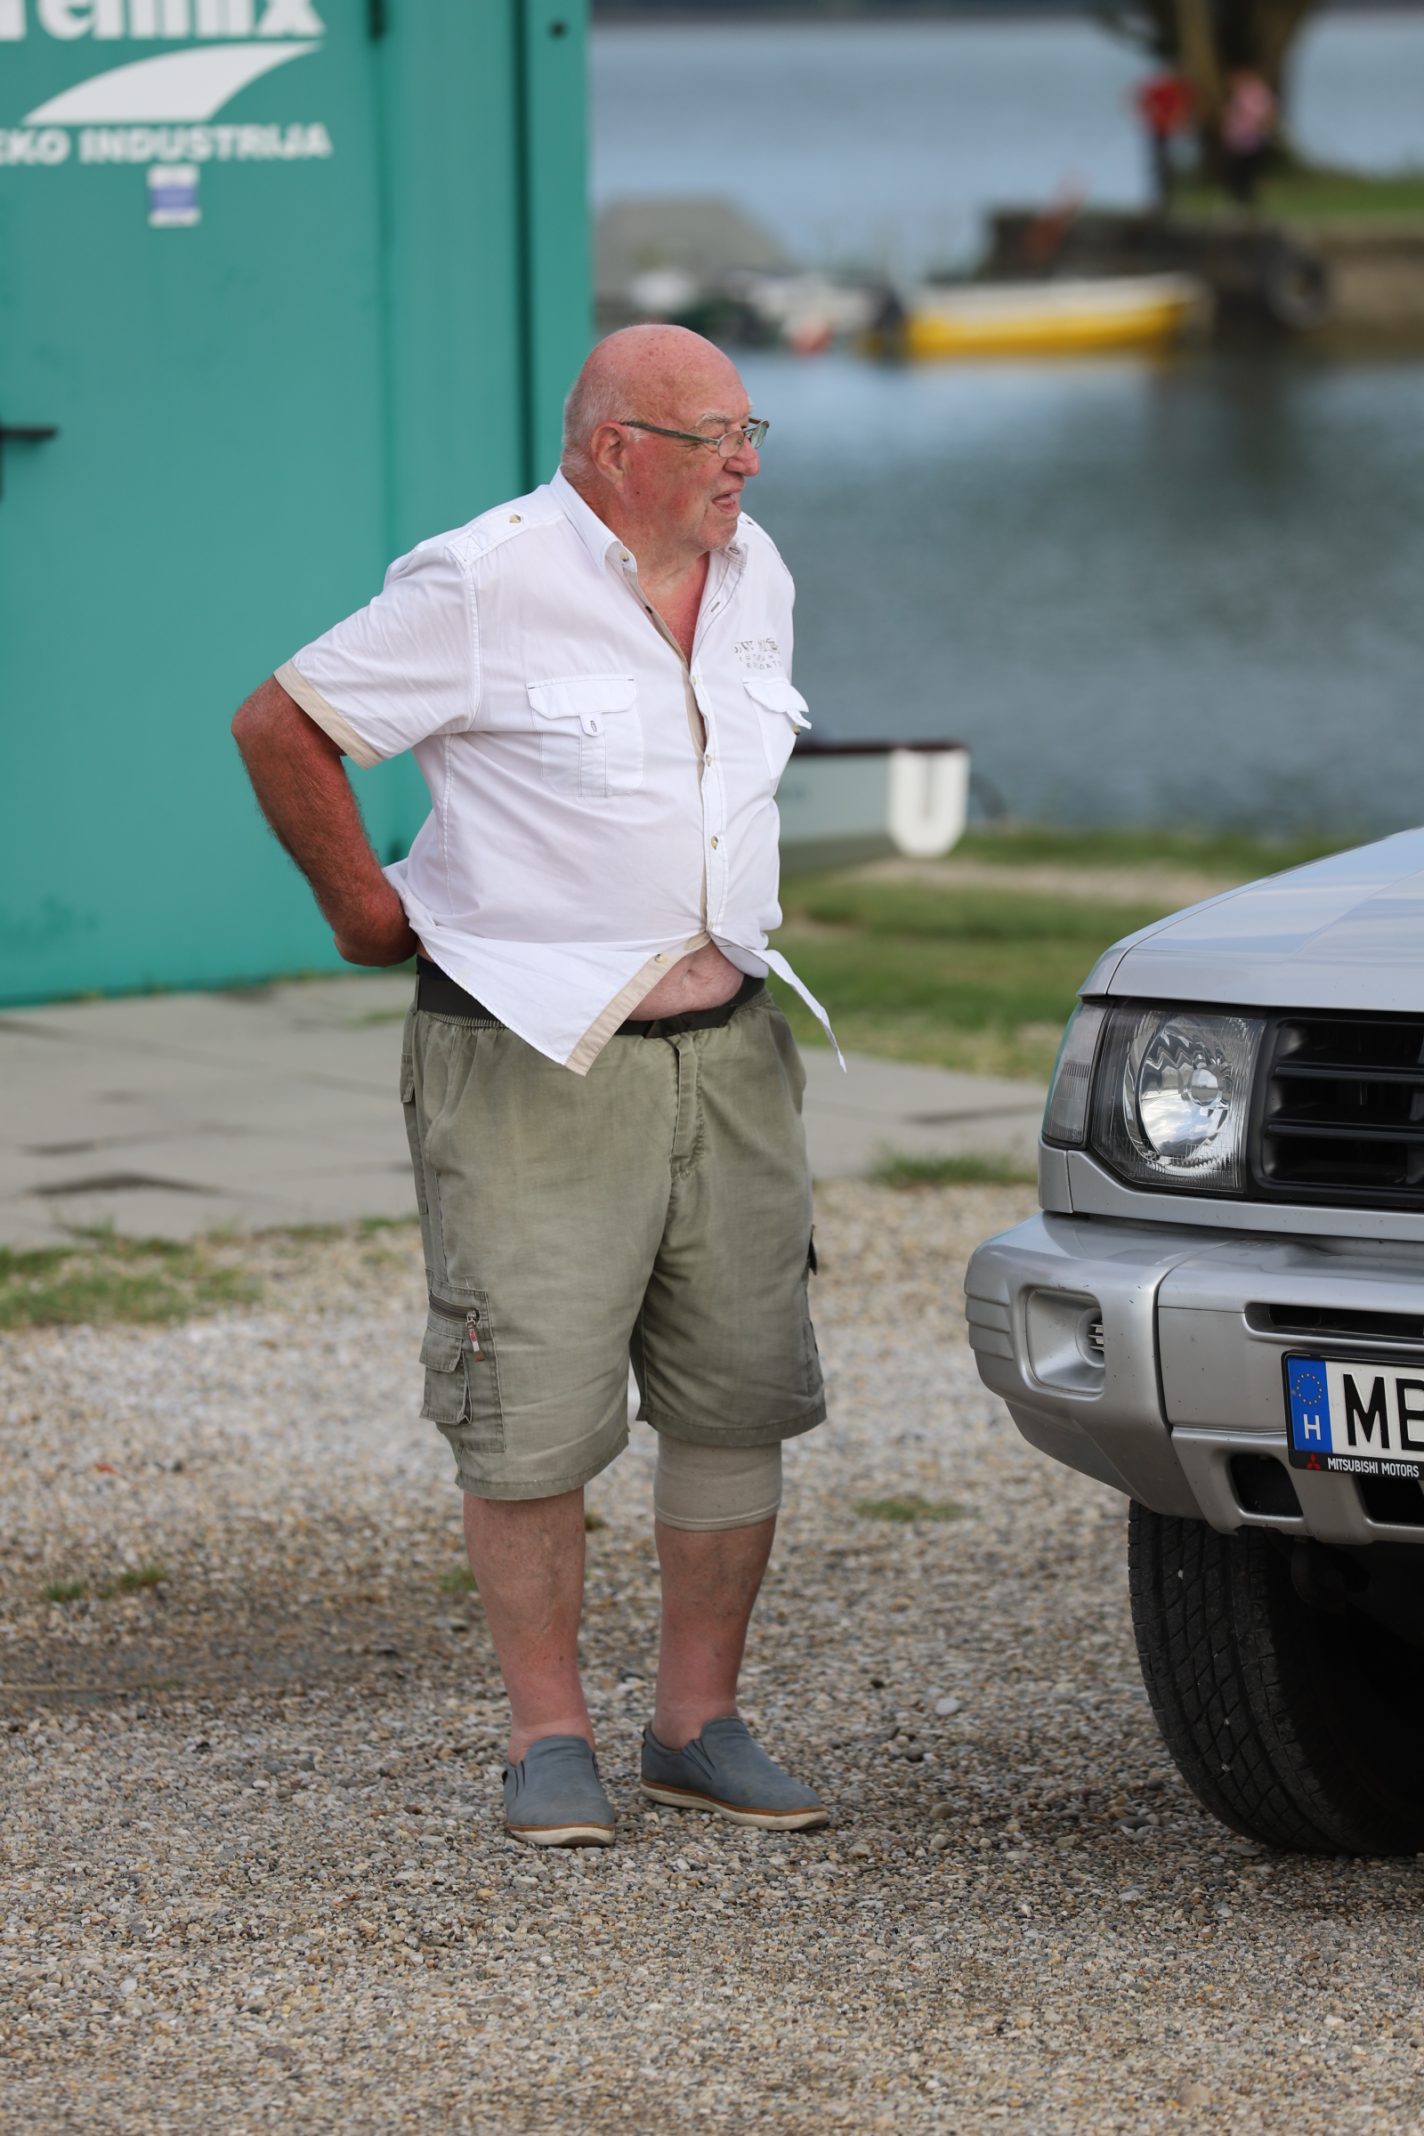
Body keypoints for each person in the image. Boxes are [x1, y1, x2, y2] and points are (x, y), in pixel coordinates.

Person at [231, 325, 837, 1848]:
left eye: (751, 431)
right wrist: (362, 909)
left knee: (737, 1395)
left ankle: (696, 1725)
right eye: (714, 438)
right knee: (530, 1413)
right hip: (529, 1059)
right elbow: (282, 722)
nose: (746, 465)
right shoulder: (483, 578)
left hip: (732, 1050)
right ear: (615, 448)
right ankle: (547, 1738)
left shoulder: (755, 574)